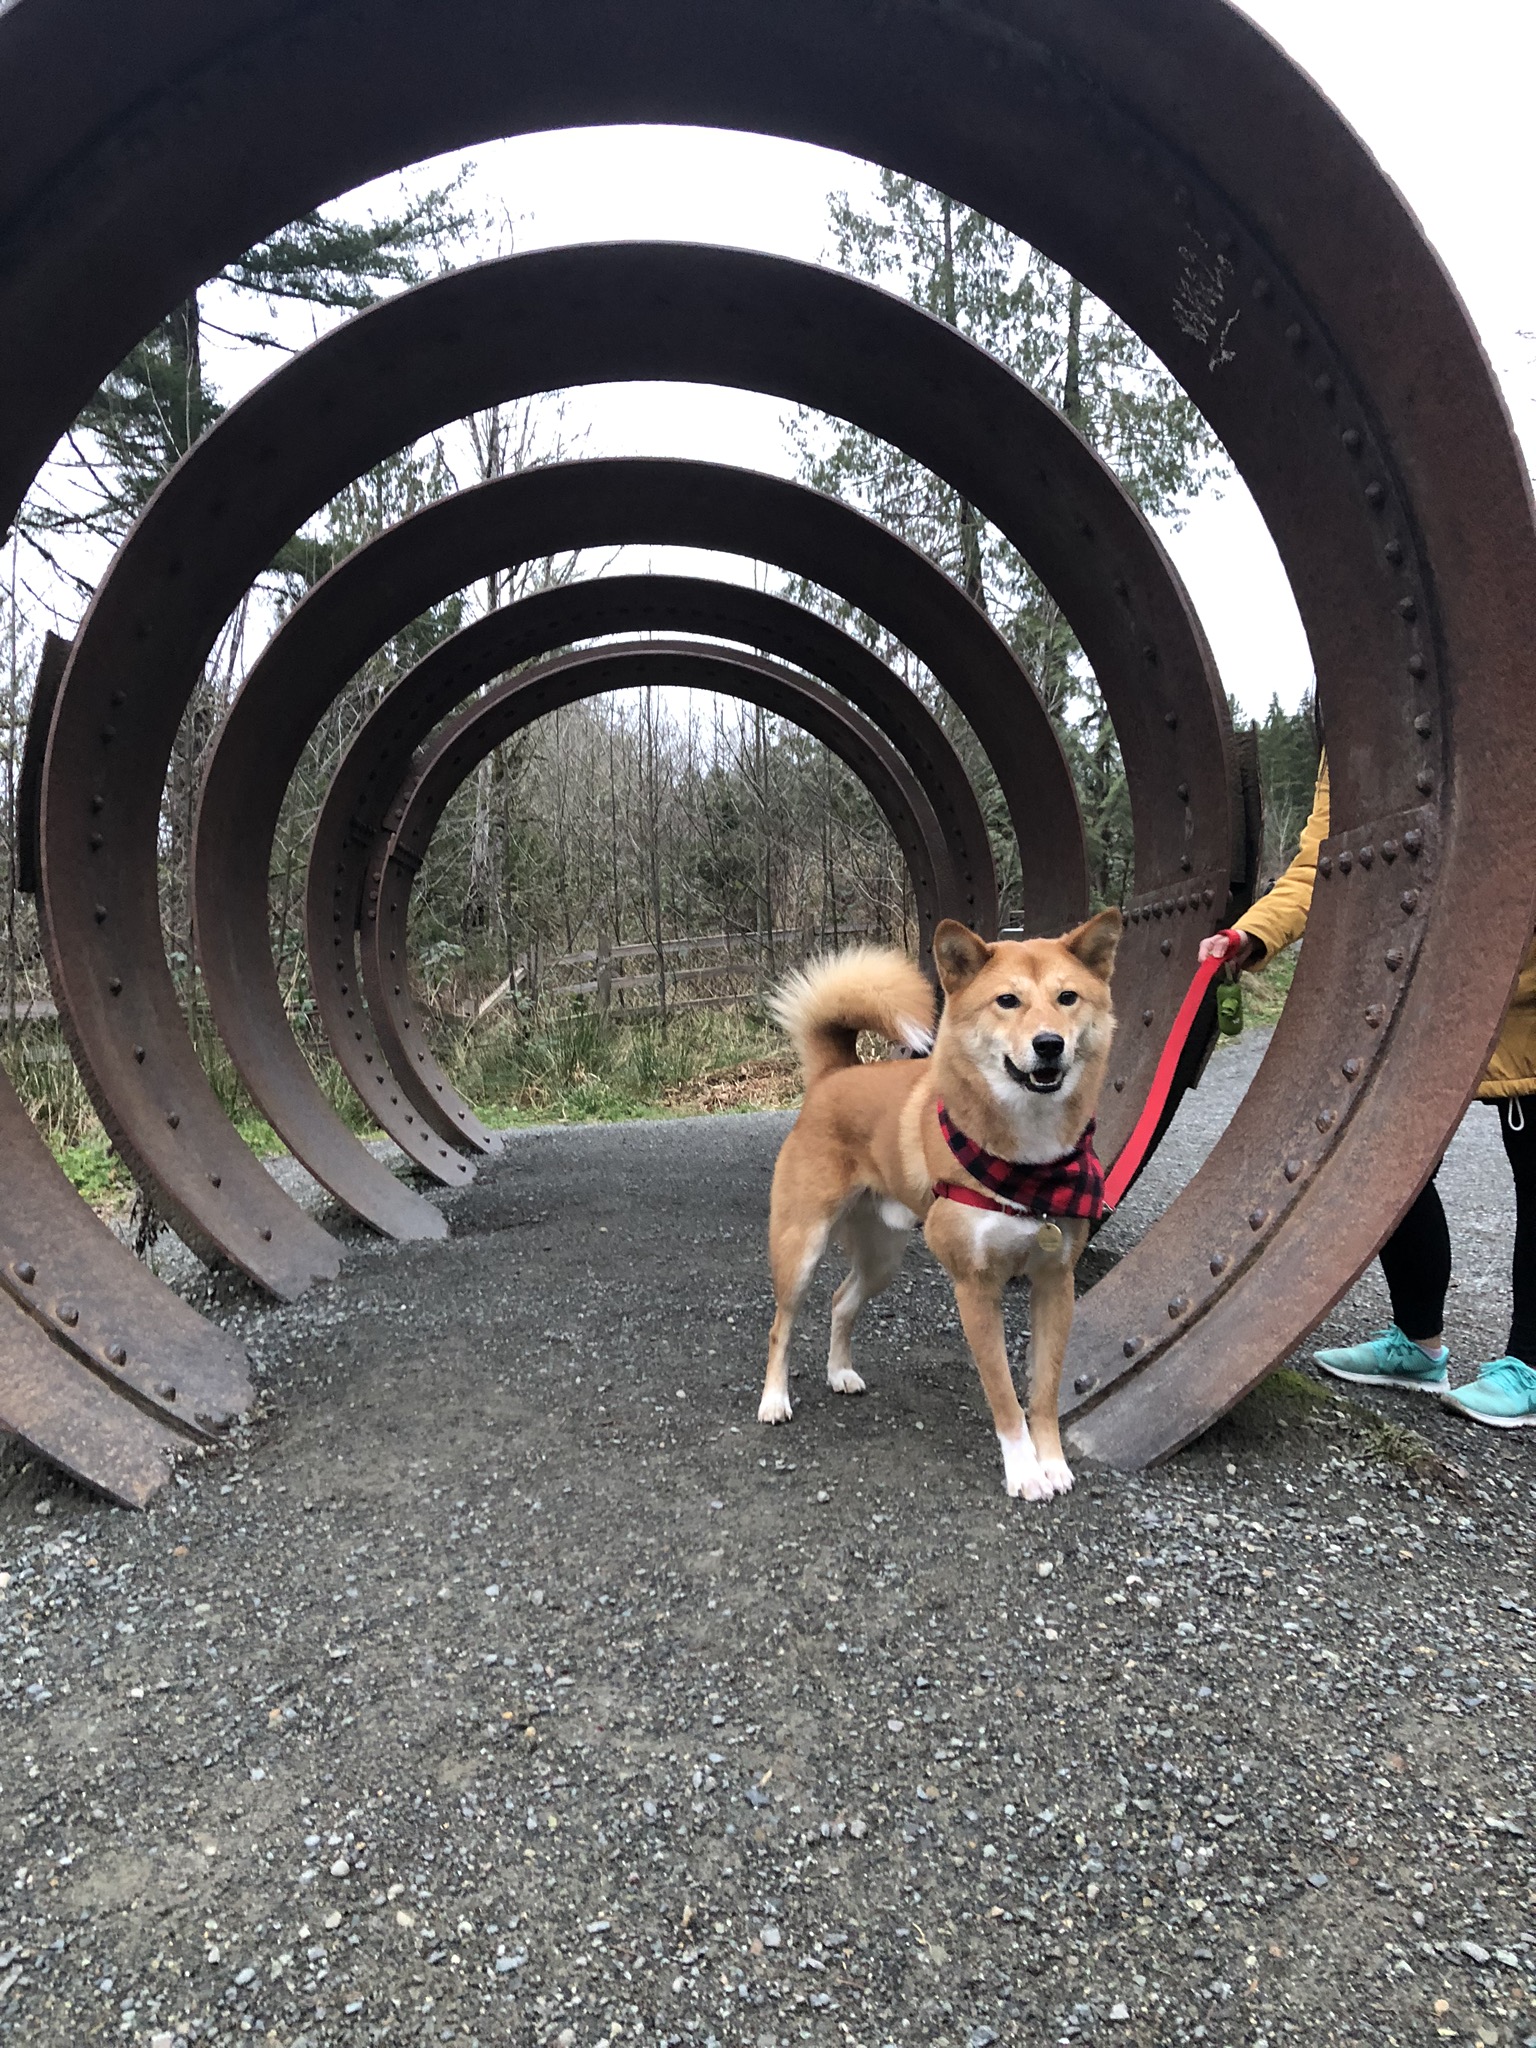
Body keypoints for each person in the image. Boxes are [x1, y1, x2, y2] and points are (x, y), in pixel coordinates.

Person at [1198, 753, 1536, 1428]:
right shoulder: (1369, 727)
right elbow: (1327, 862)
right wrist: (1252, 932)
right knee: (1386, 1158)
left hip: (1522, 988)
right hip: (1430, 982)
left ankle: (1529, 1362)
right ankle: (1418, 1343)